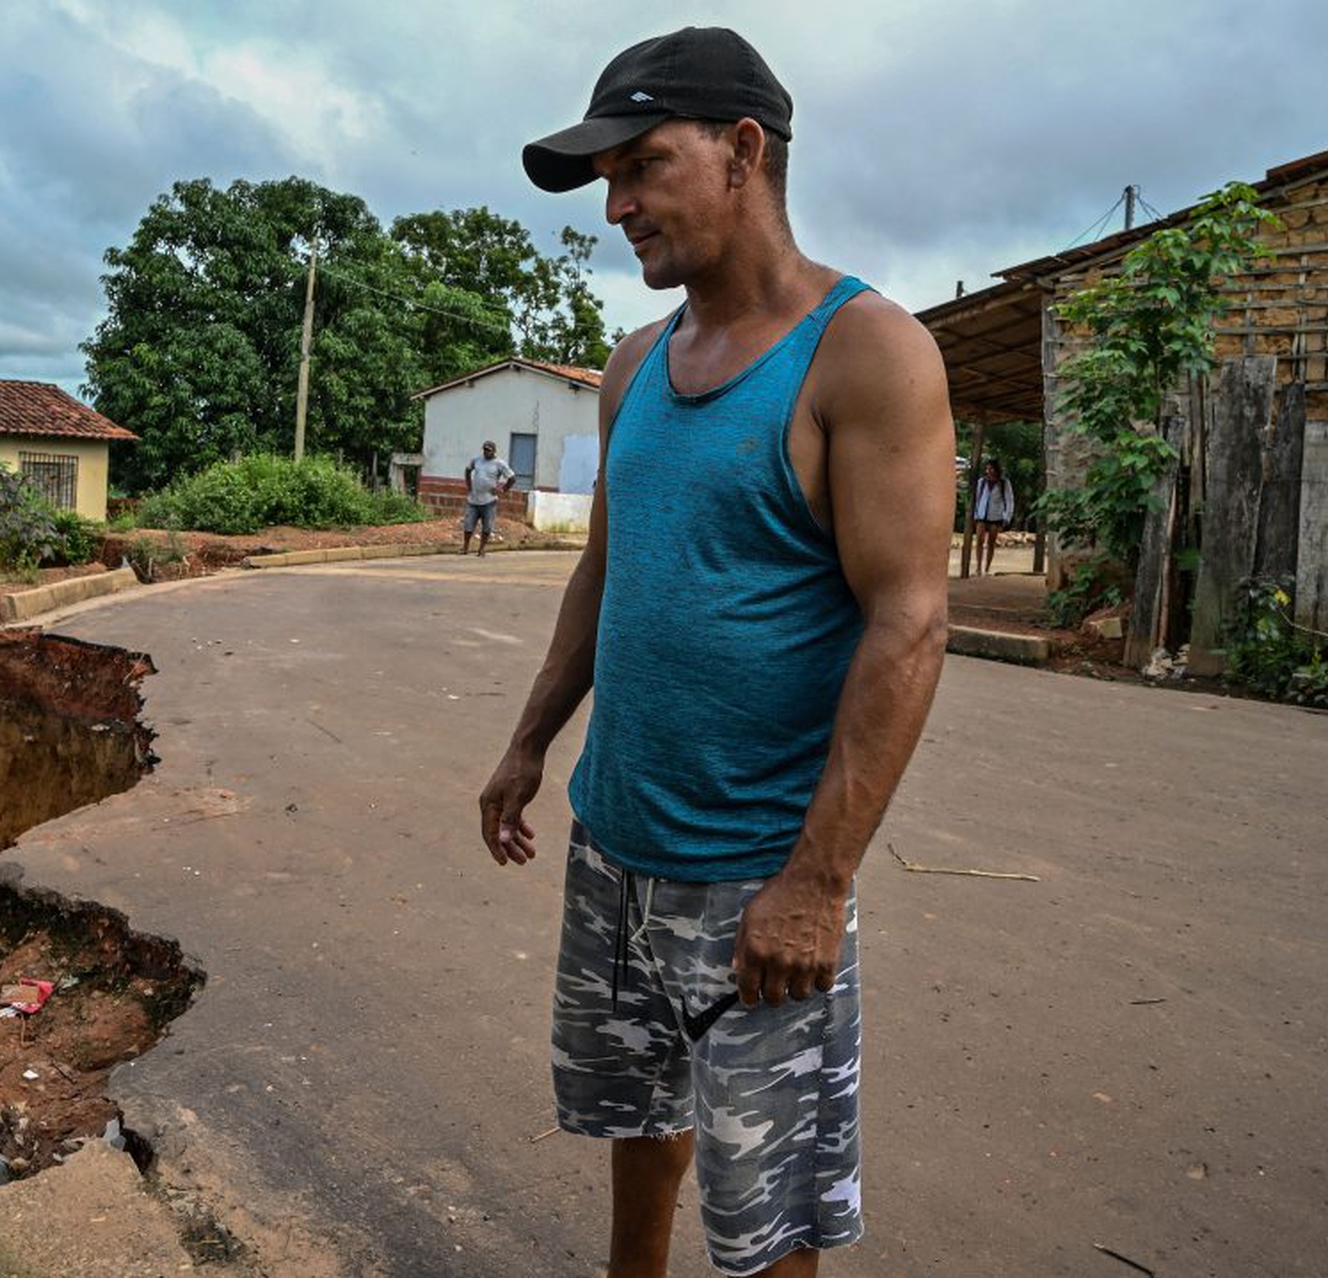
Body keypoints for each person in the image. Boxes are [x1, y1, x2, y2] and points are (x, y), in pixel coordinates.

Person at [479, 27, 952, 1278]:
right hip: (615, 851)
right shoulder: (635, 365)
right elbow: (606, 572)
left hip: (757, 876)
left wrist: (820, 879)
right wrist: (530, 742)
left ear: (744, 152)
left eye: (642, 165)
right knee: (639, 1124)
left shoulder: (867, 355)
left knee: (770, 1206)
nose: (618, 205)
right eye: (607, 181)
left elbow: (909, 622)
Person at [462, 440, 515, 556]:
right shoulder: (477, 460)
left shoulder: (499, 464)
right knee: (468, 524)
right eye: (485, 450)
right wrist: (469, 486)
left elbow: (512, 478)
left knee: (487, 526)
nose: (486, 452)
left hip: (489, 501)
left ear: (494, 451)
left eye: (489, 450)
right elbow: (467, 470)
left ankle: (481, 549)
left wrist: (502, 490)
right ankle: (465, 547)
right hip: (474, 499)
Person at [972, 458, 1014, 574]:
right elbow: (976, 499)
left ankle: (987, 568)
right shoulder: (982, 482)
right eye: (987, 468)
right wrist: (975, 514)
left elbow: (1009, 500)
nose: (988, 471)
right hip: (981, 514)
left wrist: (1007, 517)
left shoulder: (1004, 483)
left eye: (991, 468)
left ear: (996, 470)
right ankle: (978, 567)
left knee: (991, 542)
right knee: (979, 540)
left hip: (996, 515)